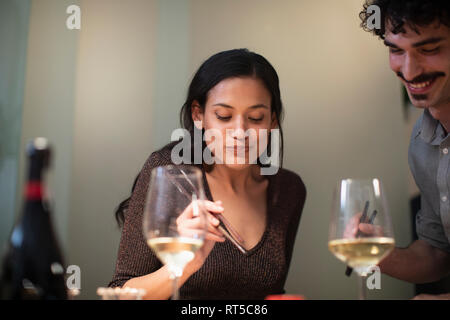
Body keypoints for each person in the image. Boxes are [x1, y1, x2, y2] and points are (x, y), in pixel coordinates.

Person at [108, 49, 307, 299]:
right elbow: (119, 295)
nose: (240, 132)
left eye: (255, 118)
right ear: (198, 115)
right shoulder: (170, 175)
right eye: (223, 116)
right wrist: (183, 265)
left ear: (273, 121)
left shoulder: (288, 189)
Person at [359, 0, 450, 299]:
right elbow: (437, 253)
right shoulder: (423, 142)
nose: (409, 71)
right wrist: (377, 253)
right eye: (396, 50)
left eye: (429, 49)